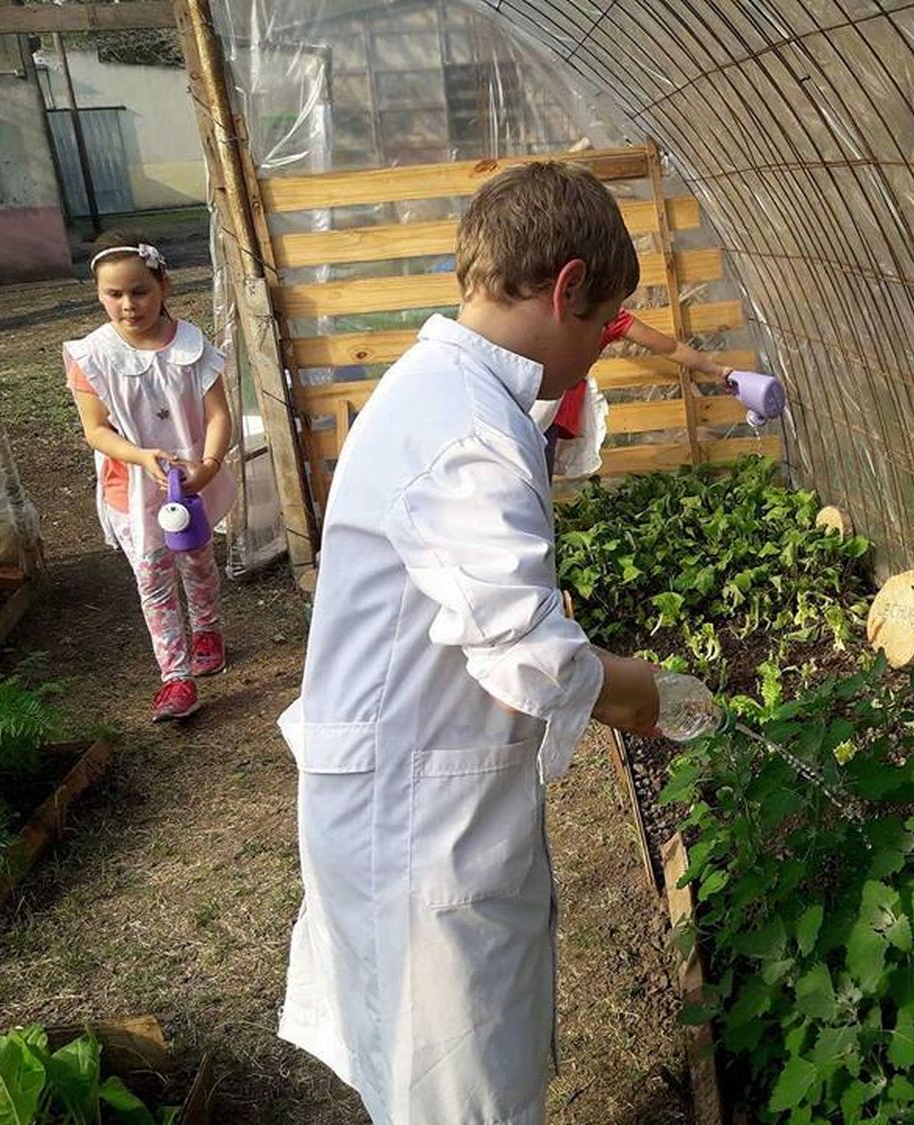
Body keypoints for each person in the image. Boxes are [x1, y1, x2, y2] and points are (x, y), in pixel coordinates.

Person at [276, 162, 662, 1123]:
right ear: (568, 288)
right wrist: (656, 695)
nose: (602, 351)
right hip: (415, 824)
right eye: (605, 324)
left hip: (411, 788)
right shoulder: (464, 430)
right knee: (457, 1087)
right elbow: (533, 651)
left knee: (449, 1073)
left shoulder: (450, 393)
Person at [66, 232, 234, 721]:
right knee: (153, 575)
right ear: (99, 295)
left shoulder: (191, 345)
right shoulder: (92, 357)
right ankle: (175, 677)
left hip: (191, 476)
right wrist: (140, 457)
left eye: (139, 291)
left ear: (162, 283)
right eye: (113, 295)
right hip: (133, 485)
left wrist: (209, 465)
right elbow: (96, 430)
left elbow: (218, 412)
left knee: (197, 560)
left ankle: (207, 628)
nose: (128, 305)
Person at [532, 307, 735, 477]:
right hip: (529, 398)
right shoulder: (549, 300)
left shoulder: (609, 314)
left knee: (535, 474)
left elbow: (671, 348)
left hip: (551, 410)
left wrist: (717, 371)